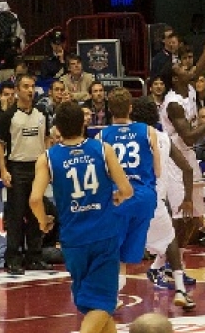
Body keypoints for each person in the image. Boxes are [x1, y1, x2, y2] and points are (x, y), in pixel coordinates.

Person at [29, 101, 133, 333]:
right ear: (84, 123)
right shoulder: (103, 149)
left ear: (57, 128)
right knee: (103, 301)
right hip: (104, 234)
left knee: (93, 302)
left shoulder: (47, 158)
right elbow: (127, 190)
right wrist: (117, 197)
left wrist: (43, 221)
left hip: (73, 239)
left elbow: (35, 200)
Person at [158, 0, 205, 278]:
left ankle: (169, 266)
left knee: (194, 221)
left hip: (187, 158)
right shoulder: (173, 103)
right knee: (180, 218)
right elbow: (188, 138)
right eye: (181, 66)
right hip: (175, 159)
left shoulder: (186, 87)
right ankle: (161, 268)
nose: (188, 66)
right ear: (174, 77)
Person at [130, 96, 196, 309]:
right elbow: (187, 168)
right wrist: (187, 198)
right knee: (170, 240)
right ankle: (180, 289)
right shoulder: (162, 138)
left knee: (116, 247)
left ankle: (111, 295)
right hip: (152, 199)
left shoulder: (117, 136)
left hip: (124, 200)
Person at [96, 88, 160, 302]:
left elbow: (99, 173)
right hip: (145, 197)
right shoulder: (148, 131)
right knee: (128, 253)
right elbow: (158, 171)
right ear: (131, 108)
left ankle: (111, 296)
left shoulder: (102, 135)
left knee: (113, 252)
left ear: (109, 109)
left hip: (118, 197)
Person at [0, 74, 51, 275]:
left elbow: (47, 139)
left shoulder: (42, 113)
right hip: (17, 167)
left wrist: (48, 164)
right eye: (26, 86)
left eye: (32, 86)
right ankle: (13, 258)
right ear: (17, 90)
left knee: (36, 213)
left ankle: (34, 256)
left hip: (38, 166)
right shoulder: (8, 116)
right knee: (16, 214)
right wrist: (3, 169)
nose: (30, 90)